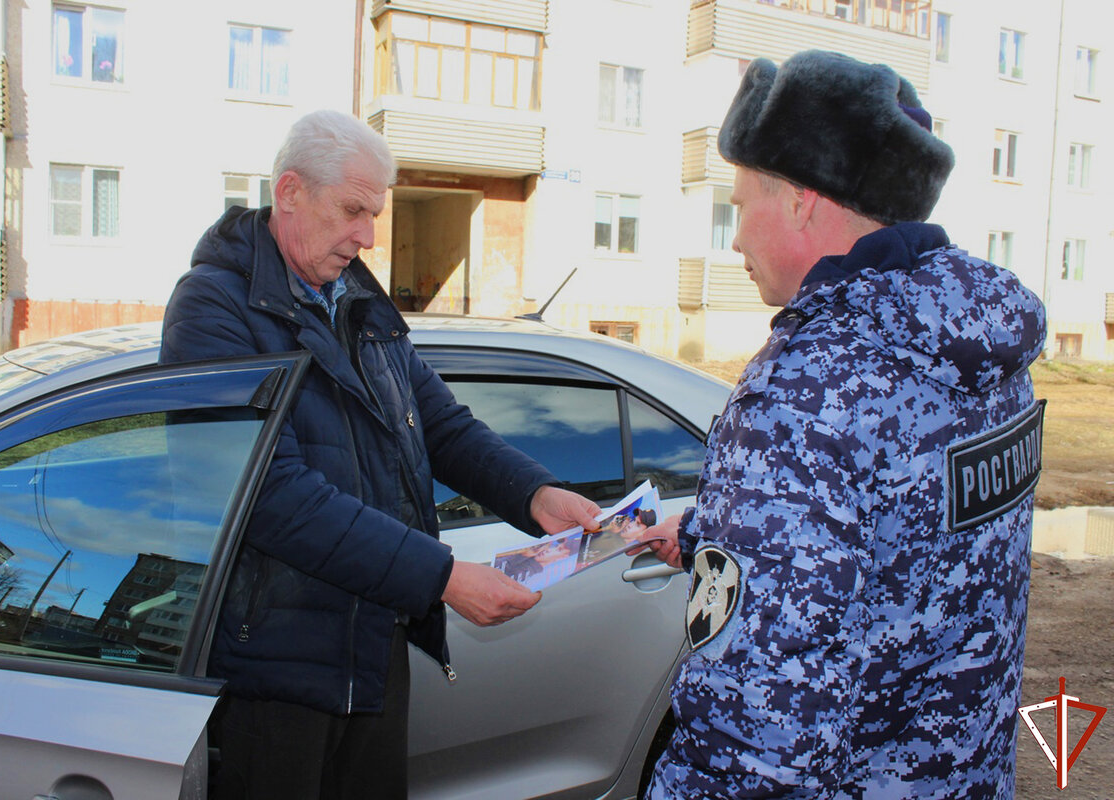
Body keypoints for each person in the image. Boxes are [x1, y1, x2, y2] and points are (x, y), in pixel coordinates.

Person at [159, 109, 600, 799]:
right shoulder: (214, 310)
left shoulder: (358, 301)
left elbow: (442, 427)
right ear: (291, 192)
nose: (367, 236)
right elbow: (269, 497)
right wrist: (442, 578)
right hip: (276, 671)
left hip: (372, 649)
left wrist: (534, 494)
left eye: (375, 214)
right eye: (353, 210)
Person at [644, 50, 1047, 798]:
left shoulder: (802, 395)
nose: (733, 240)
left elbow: (757, 734)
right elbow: (909, 532)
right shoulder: (982, 348)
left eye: (739, 206)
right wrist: (715, 531)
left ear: (800, 199)